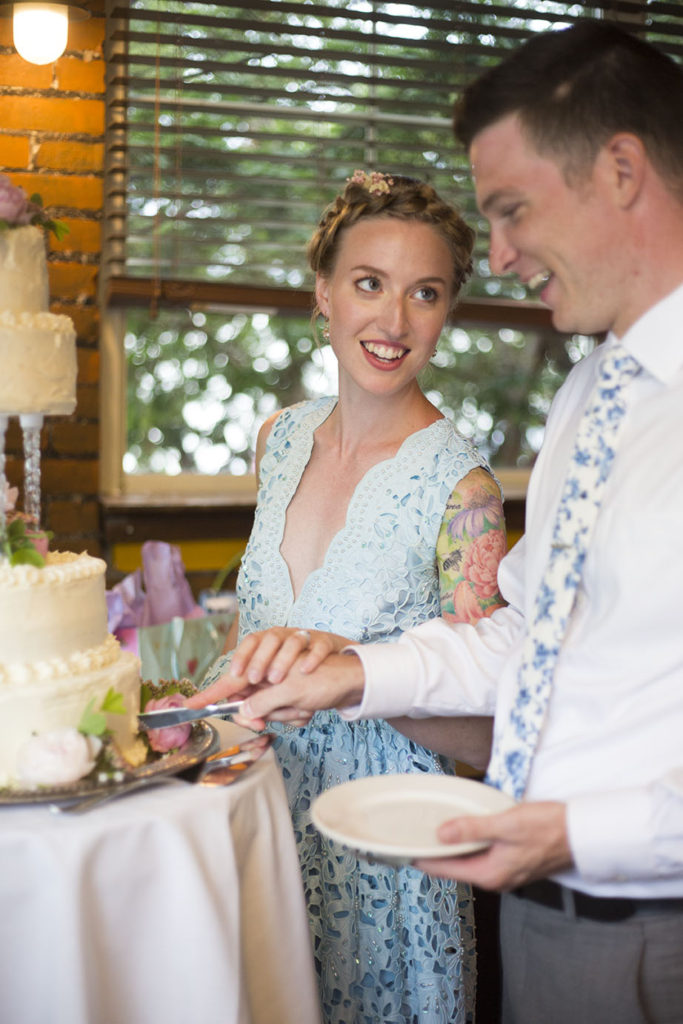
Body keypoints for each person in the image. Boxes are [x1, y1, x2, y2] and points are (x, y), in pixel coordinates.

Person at [193, 22, 683, 1024]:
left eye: (508, 211)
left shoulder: (460, 471)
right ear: (321, 294)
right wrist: (351, 671)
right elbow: (523, 632)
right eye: (369, 282)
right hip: (538, 913)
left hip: (643, 921)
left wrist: (580, 831)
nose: (495, 257)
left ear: (620, 169)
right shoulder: (589, 396)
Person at [192, 172, 507, 1023]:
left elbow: (485, 734)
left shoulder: (465, 492)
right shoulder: (278, 439)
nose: (393, 322)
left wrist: (359, 672)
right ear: (323, 293)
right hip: (253, 808)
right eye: (369, 283)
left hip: (381, 857)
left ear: (446, 314)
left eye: (424, 293)